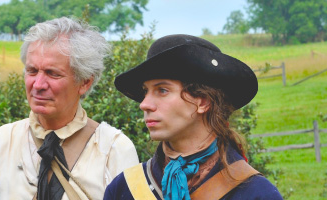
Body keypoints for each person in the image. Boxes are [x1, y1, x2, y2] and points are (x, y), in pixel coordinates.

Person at [0, 17, 139, 200]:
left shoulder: (113, 150)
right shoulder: (0, 143)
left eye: (53, 73)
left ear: (85, 82)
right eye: (32, 71)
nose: (38, 84)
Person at [104, 34, 282, 200]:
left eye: (162, 90)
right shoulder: (123, 189)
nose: (144, 104)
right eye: (145, 91)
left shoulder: (255, 193)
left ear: (203, 101)